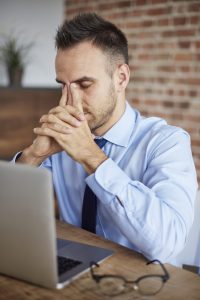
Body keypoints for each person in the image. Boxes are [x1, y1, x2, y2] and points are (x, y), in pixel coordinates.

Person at [14, 13, 197, 263]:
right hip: (74, 274)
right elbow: (10, 213)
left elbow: (167, 244)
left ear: (121, 78)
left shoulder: (166, 142)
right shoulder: (63, 138)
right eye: (63, 85)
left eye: (84, 84)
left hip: (144, 285)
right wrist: (34, 155)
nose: (71, 101)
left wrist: (92, 157)